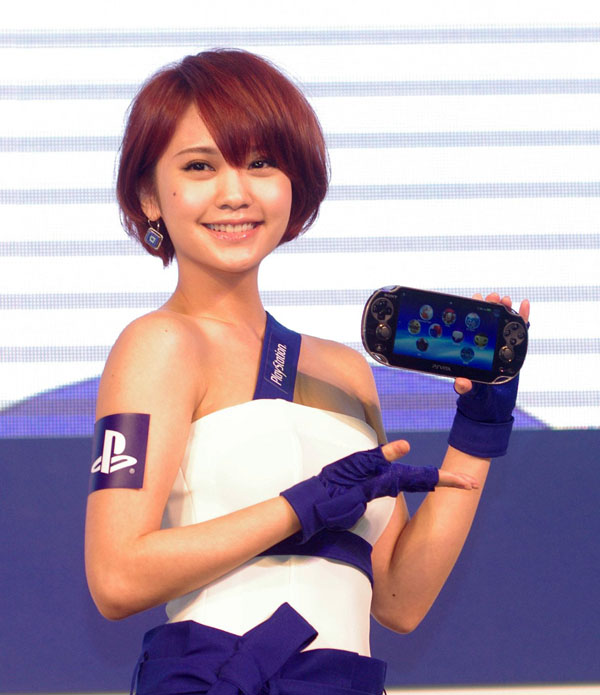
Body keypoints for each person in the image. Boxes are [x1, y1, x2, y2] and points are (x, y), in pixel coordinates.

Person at [85, 49, 529, 695]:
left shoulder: (343, 369)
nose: (235, 193)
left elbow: (400, 598)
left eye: (261, 163)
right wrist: (298, 507)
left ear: (294, 185)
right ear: (150, 194)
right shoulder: (157, 345)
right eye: (200, 166)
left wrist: (479, 428)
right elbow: (117, 577)